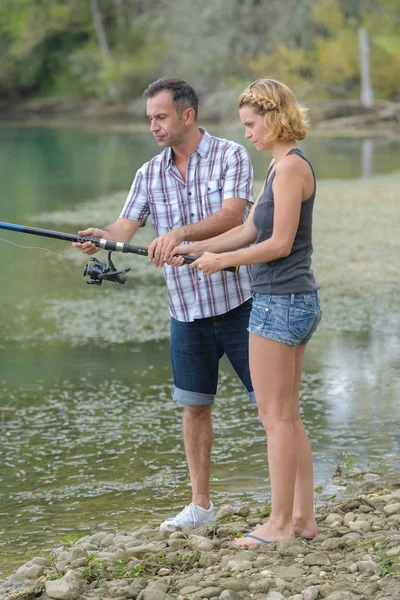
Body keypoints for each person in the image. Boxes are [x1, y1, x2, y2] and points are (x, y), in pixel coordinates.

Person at [72, 77, 256, 531]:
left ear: (187, 116)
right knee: (194, 407)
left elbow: (234, 215)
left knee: (270, 405)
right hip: (186, 312)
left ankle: (291, 500)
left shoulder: (232, 154)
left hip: (243, 305)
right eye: (149, 118)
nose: (153, 125)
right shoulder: (148, 173)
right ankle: (200, 507)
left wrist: (178, 233)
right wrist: (103, 238)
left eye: (160, 117)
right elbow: (125, 228)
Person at [170, 78, 321, 545]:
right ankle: (303, 519)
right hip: (289, 299)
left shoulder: (292, 168)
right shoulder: (279, 168)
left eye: (252, 125)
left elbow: (277, 244)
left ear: (274, 117)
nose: (248, 134)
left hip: (281, 301)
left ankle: (278, 526)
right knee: (287, 415)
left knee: (275, 418)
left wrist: (223, 262)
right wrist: (196, 247)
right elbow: (250, 228)